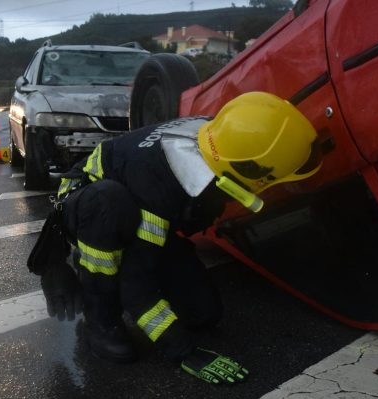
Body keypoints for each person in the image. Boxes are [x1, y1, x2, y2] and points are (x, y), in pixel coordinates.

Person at [27, 92, 323, 384]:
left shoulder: (223, 136)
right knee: (109, 207)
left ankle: (123, 254)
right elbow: (136, 285)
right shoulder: (160, 187)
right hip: (89, 205)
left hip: (137, 204)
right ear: (250, 171)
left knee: (202, 313)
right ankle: (100, 317)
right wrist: (183, 352)